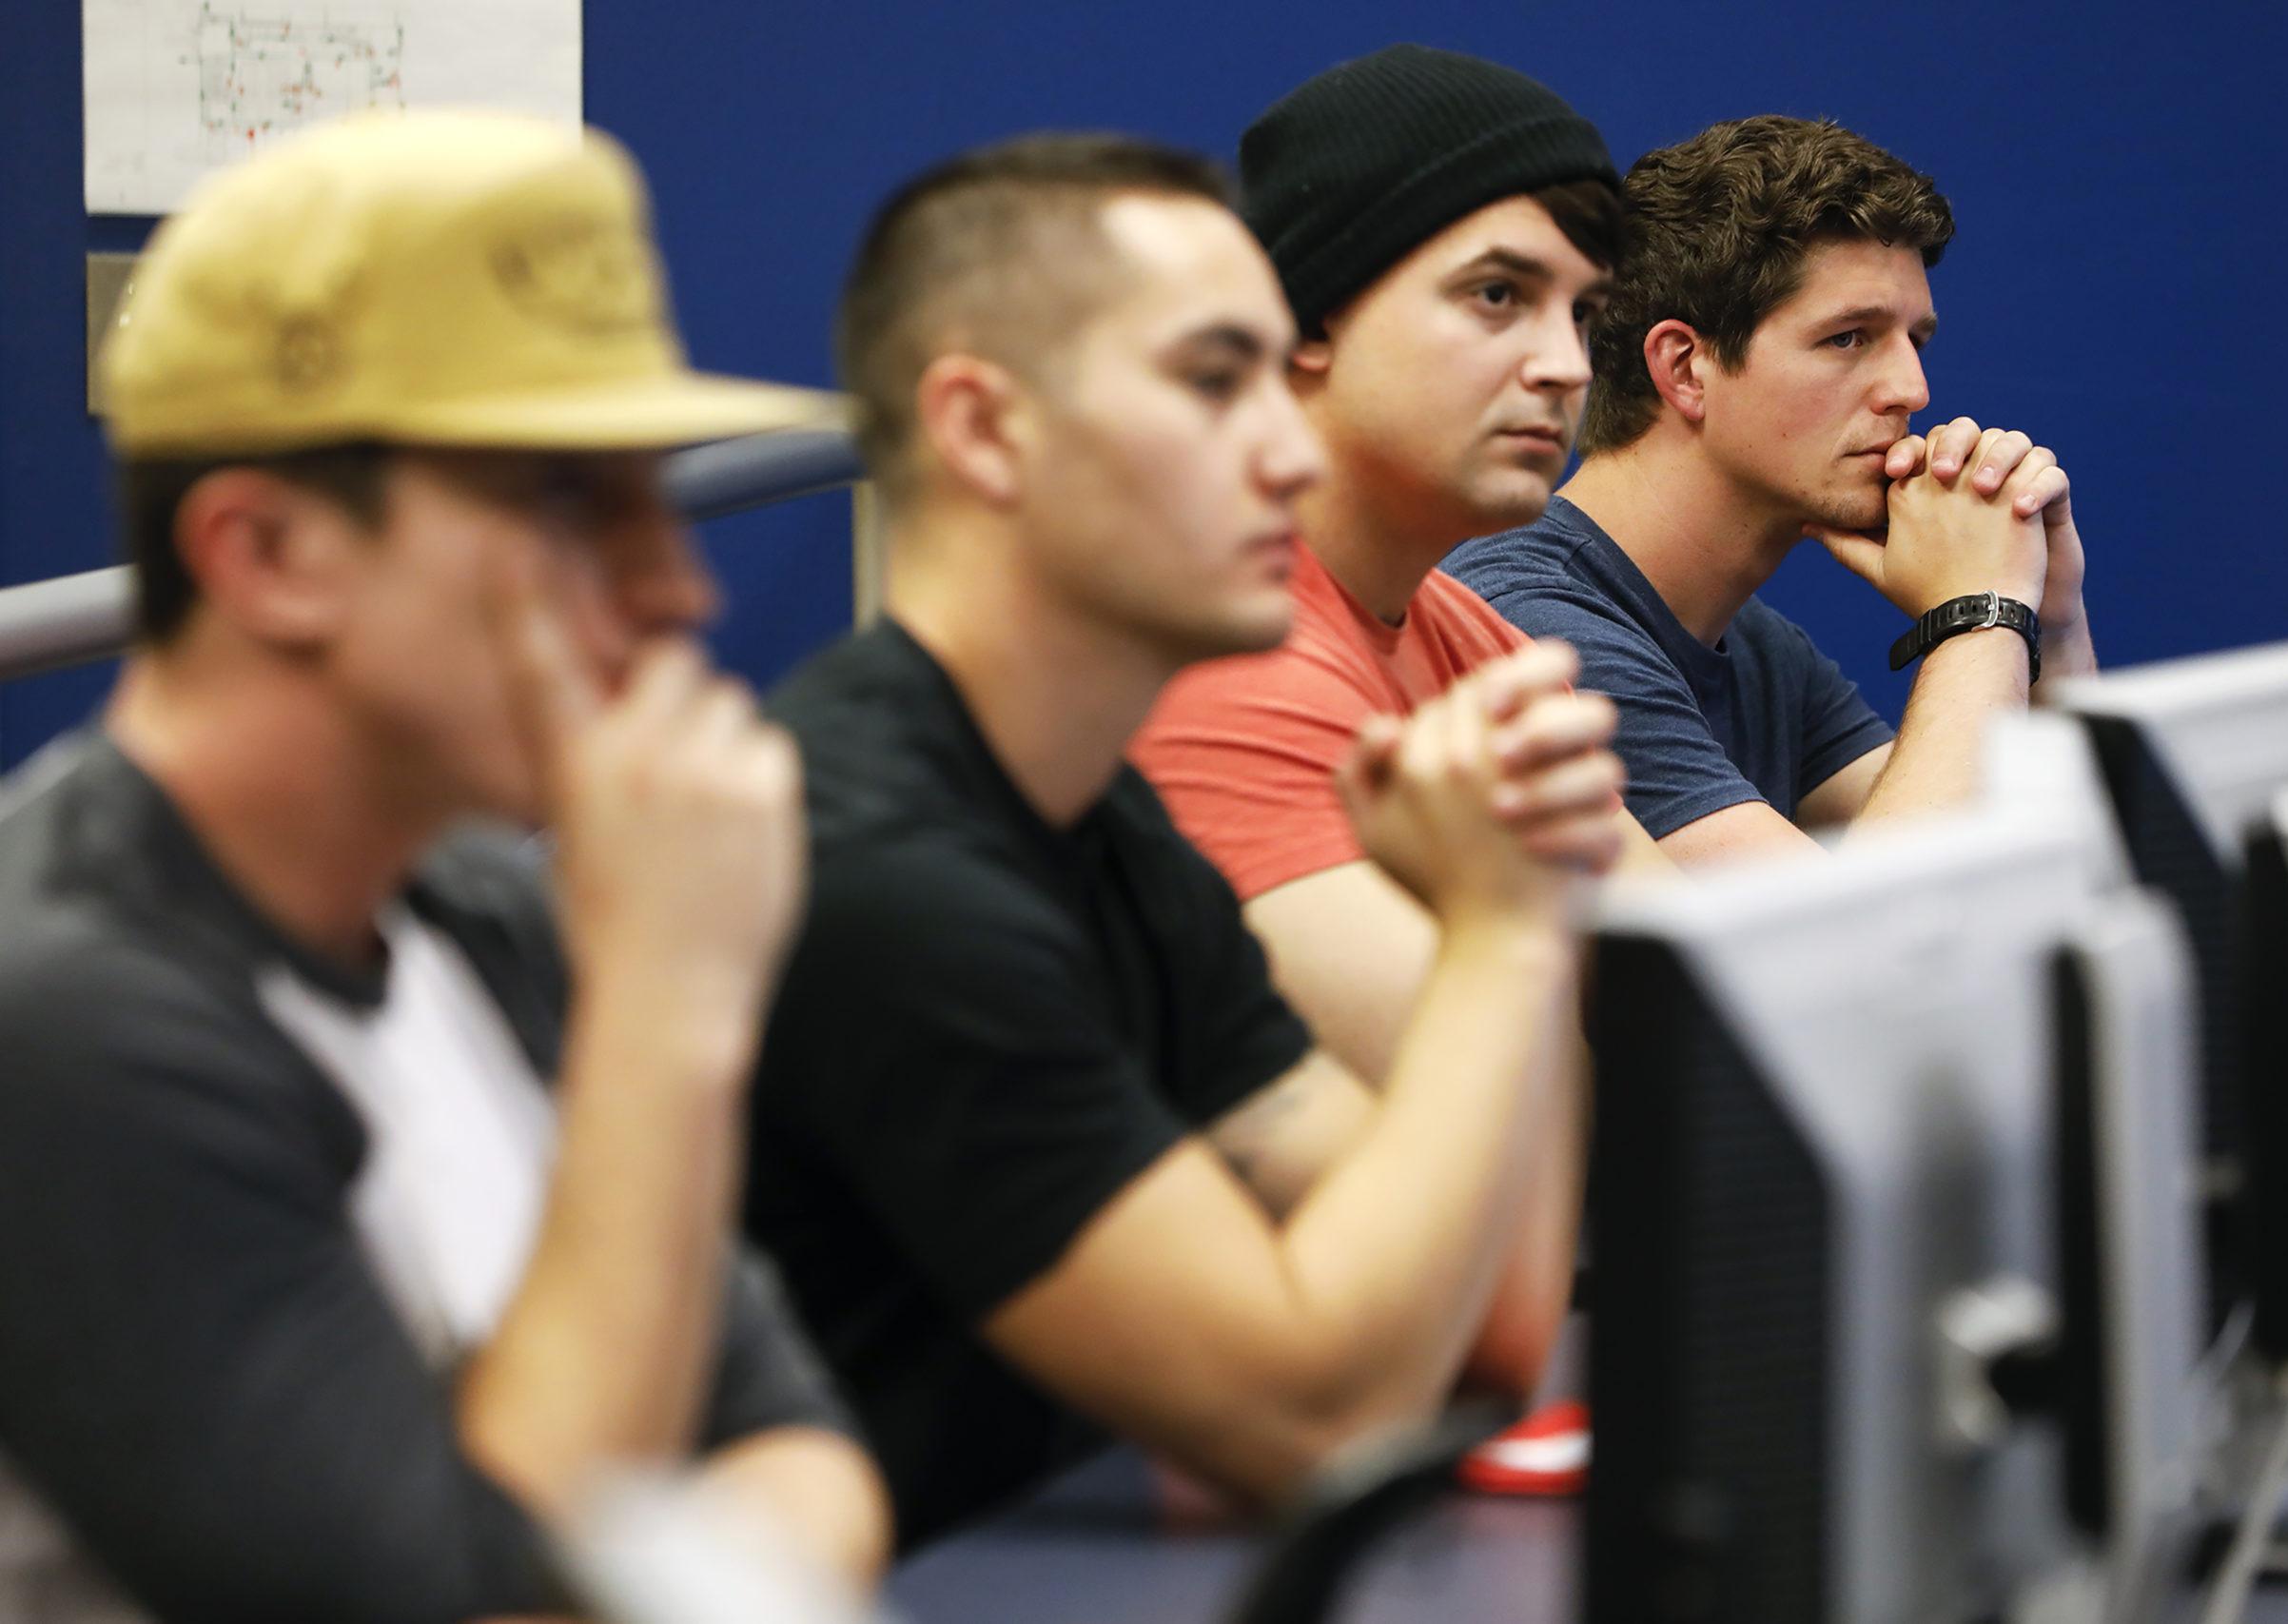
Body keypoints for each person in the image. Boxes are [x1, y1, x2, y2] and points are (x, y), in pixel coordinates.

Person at [0, 110, 888, 1622]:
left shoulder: (486, 908)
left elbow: (814, 1460)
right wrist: (670, 1004)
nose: (680, 584)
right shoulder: (67, 1005)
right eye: (569, 503)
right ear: (268, 553)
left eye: (655, 498)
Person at [745, 133, 1626, 1546]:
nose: (1287, 451)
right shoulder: (878, 866)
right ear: (983, 429)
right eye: (1215, 383)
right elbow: (1317, 1416)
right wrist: (1504, 930)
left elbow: (1483, 1331)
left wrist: (1498, 927)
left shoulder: (1099, 821)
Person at [1132, 44, 1663, 1097]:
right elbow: (1509, 1133)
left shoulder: (1477, 638)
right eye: (1499, 294)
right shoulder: (1213, 658)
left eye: (1584, 313)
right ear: (1312, 317)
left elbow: (1708, 1007)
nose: (1563, 365)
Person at [1443, 115, 2099, 865]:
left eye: (1914, 341)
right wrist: (1979, 615)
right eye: (1848, 337)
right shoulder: (1528, 631)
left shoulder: (1757, 648)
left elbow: (2059, 873)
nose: (1912, 390)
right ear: (1686, 368)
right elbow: (1875, 943)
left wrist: (2051, 624)